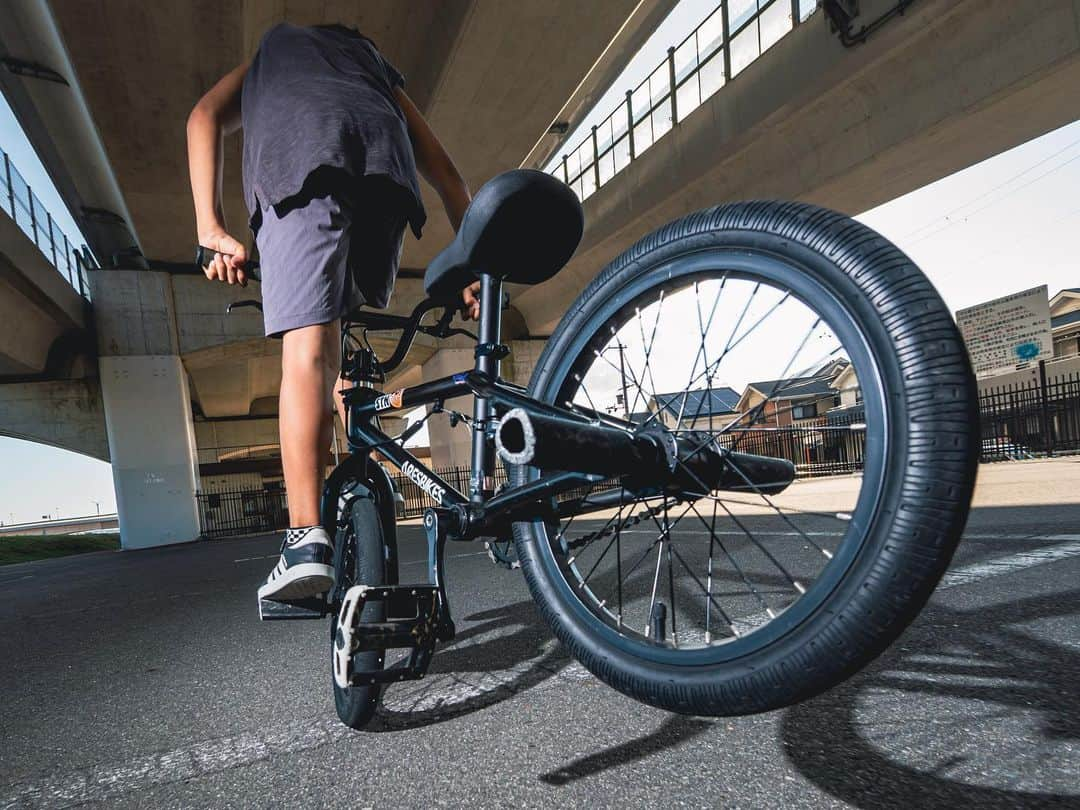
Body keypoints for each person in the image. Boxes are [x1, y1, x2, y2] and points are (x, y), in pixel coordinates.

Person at [186, 22, 476, 603]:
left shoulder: (272, 56)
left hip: (301, 164)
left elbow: (203, 117)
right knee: (340, 322)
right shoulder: (369, 62)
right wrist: (471, 259)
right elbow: (443, 168)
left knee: (306, 345)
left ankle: (304, 539)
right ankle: (359, 434)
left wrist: (210, 228)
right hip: (385, 173)